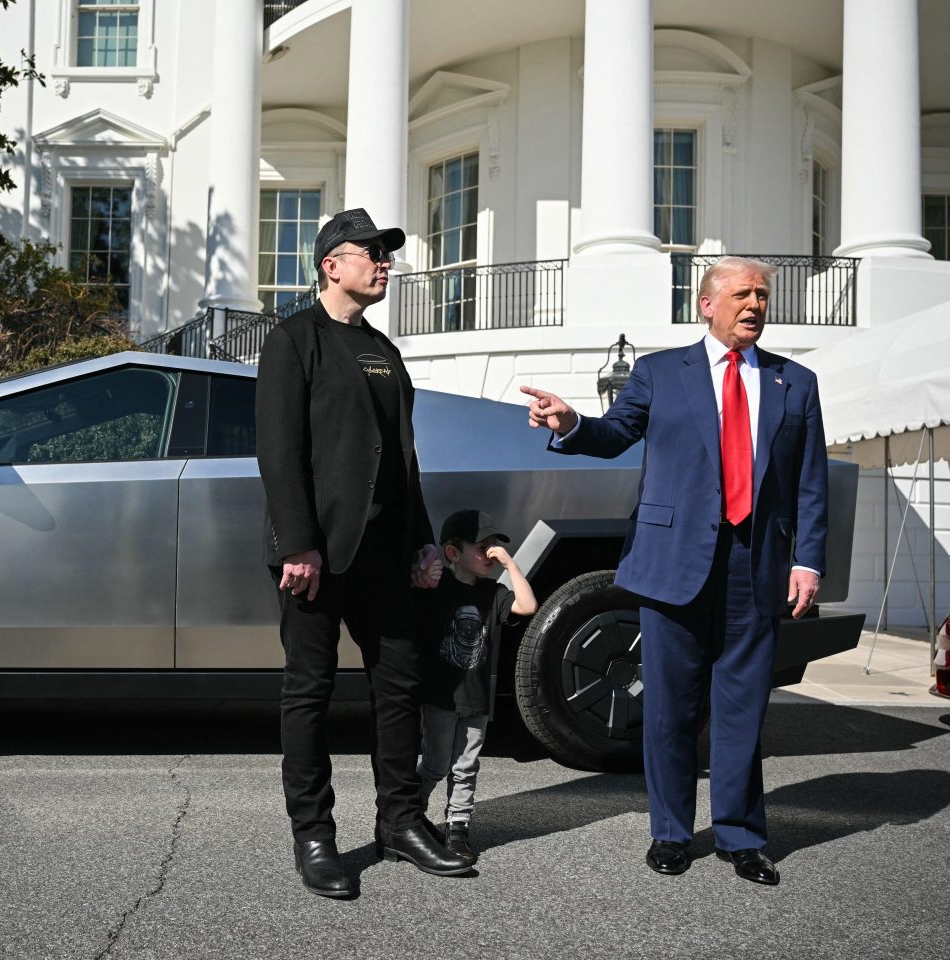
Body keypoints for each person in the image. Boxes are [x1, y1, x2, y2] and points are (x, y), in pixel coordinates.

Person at [519, 256, 828, 887]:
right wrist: (570, 421)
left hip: (755, 566)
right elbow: (612, 434)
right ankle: (670, 833)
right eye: (742, 294)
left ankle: (742, 837)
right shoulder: (661, 373)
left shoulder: (797, 383)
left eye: (763, 296)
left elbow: (810, 482)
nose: (755, 305)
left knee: (742, 710)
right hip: (672, 562)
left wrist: (807, 560)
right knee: (669, 709)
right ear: (706, 304)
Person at [257, 207, 471, 898]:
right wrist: (299, 544)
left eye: (386, 254)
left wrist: (424, 540)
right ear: (331, 265)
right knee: (309, 693)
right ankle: (314, 835)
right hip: (317, 556)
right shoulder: (294, 341)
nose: (384, 263)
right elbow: (279, 450)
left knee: (400, 688)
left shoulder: (384, 351)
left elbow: (404, 458)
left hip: (387, 555)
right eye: (370, 252)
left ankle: (400, 822)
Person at [415, 509, 537, 865]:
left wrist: (510, 564)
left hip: (476, 698)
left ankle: (458, 828)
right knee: (436, 765)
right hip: (440, 697)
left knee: (466, 767)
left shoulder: (493, 593)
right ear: (453, 553)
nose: (491, 553)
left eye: (494, 546)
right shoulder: (438, 589)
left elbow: (528, 605)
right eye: (482, 547)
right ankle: (410, 814)